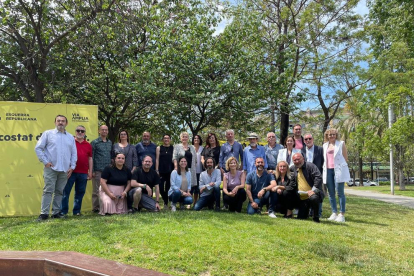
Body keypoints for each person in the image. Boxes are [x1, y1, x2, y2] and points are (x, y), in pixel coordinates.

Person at [35, 115, 77, 221]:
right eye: (58, 121)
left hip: (64, 170)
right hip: (51, 169)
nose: (60, 123)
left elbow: (74, 153)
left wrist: (72, 167)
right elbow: (38, 148)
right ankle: (44, 213)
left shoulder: (70, 137)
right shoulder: (48, 134)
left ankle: (56, 212)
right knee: (48, 191)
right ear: (55, 122)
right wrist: (45, 162)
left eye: (63, 121)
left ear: (66, 123)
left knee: (59, 192)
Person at [61, 125, 93, 216]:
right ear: (75, 132)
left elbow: (90, 159)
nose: (80, 132)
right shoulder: (70, 142)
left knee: (80, 193)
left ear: (85, 133)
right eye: (78, 130)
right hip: (70, 171)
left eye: (82, 131)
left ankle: (77, 211)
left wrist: (90, 172)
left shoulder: (88, 145)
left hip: (83, 173)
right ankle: (63, 212)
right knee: (65, 192)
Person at [322, 128, 350, 223]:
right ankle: (334, 212)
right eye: (330, 135)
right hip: (328, 170)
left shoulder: (341, 144)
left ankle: (342, 214)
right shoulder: (325, 145)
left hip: (338, 170)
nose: (332, 136)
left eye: (333, 134)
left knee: (340, 193)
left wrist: (341, 167)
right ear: (327, 136)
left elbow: (345, 158)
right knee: (331, 193)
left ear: (336, 135)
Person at [291, 153, 324, 223]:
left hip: (313, 193)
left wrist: (313, 190)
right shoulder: (292, 168)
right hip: (301, 198)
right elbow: (284, 171)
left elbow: (318, 177)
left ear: (303, 159)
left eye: (298, 159)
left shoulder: (310, 166)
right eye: (295, 160)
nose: (297, 161)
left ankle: (316, 217)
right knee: (301, 217)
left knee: (314, 198)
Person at [91, 125, 112, 213]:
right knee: (96, 190)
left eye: (106, 130)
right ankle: (96, 208)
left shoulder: (110, 142)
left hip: (108, 171)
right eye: (102, 130)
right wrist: (92, 171)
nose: (104, 131)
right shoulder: (94, 142)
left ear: (107, 131)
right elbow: (91, 157)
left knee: (107, 189)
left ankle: (105, 206)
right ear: (99, 131)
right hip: (98, 170)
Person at [155, 134, 174, 209]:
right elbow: (157, 159)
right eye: (165, 138)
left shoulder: (173, 148)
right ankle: (165, 200)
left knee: (168, 188)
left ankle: (166, 203)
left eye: (168, 138)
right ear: (162, 140)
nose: (166, 139)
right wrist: (156, 170)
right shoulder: (159, 148)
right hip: (161, 171)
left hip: (170, 171)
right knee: (160, 188)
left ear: (170, 140)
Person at [192, 134, 204, 205]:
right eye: (195, 138)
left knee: (199, 187)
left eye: (198, 138)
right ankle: (192, 201)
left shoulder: (202, 148)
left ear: (200, 140)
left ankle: (198, 202)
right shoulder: (190, 148)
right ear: (193, 140)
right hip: (192, 171)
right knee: (192, 187)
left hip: (200, 171)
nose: (196, 139)